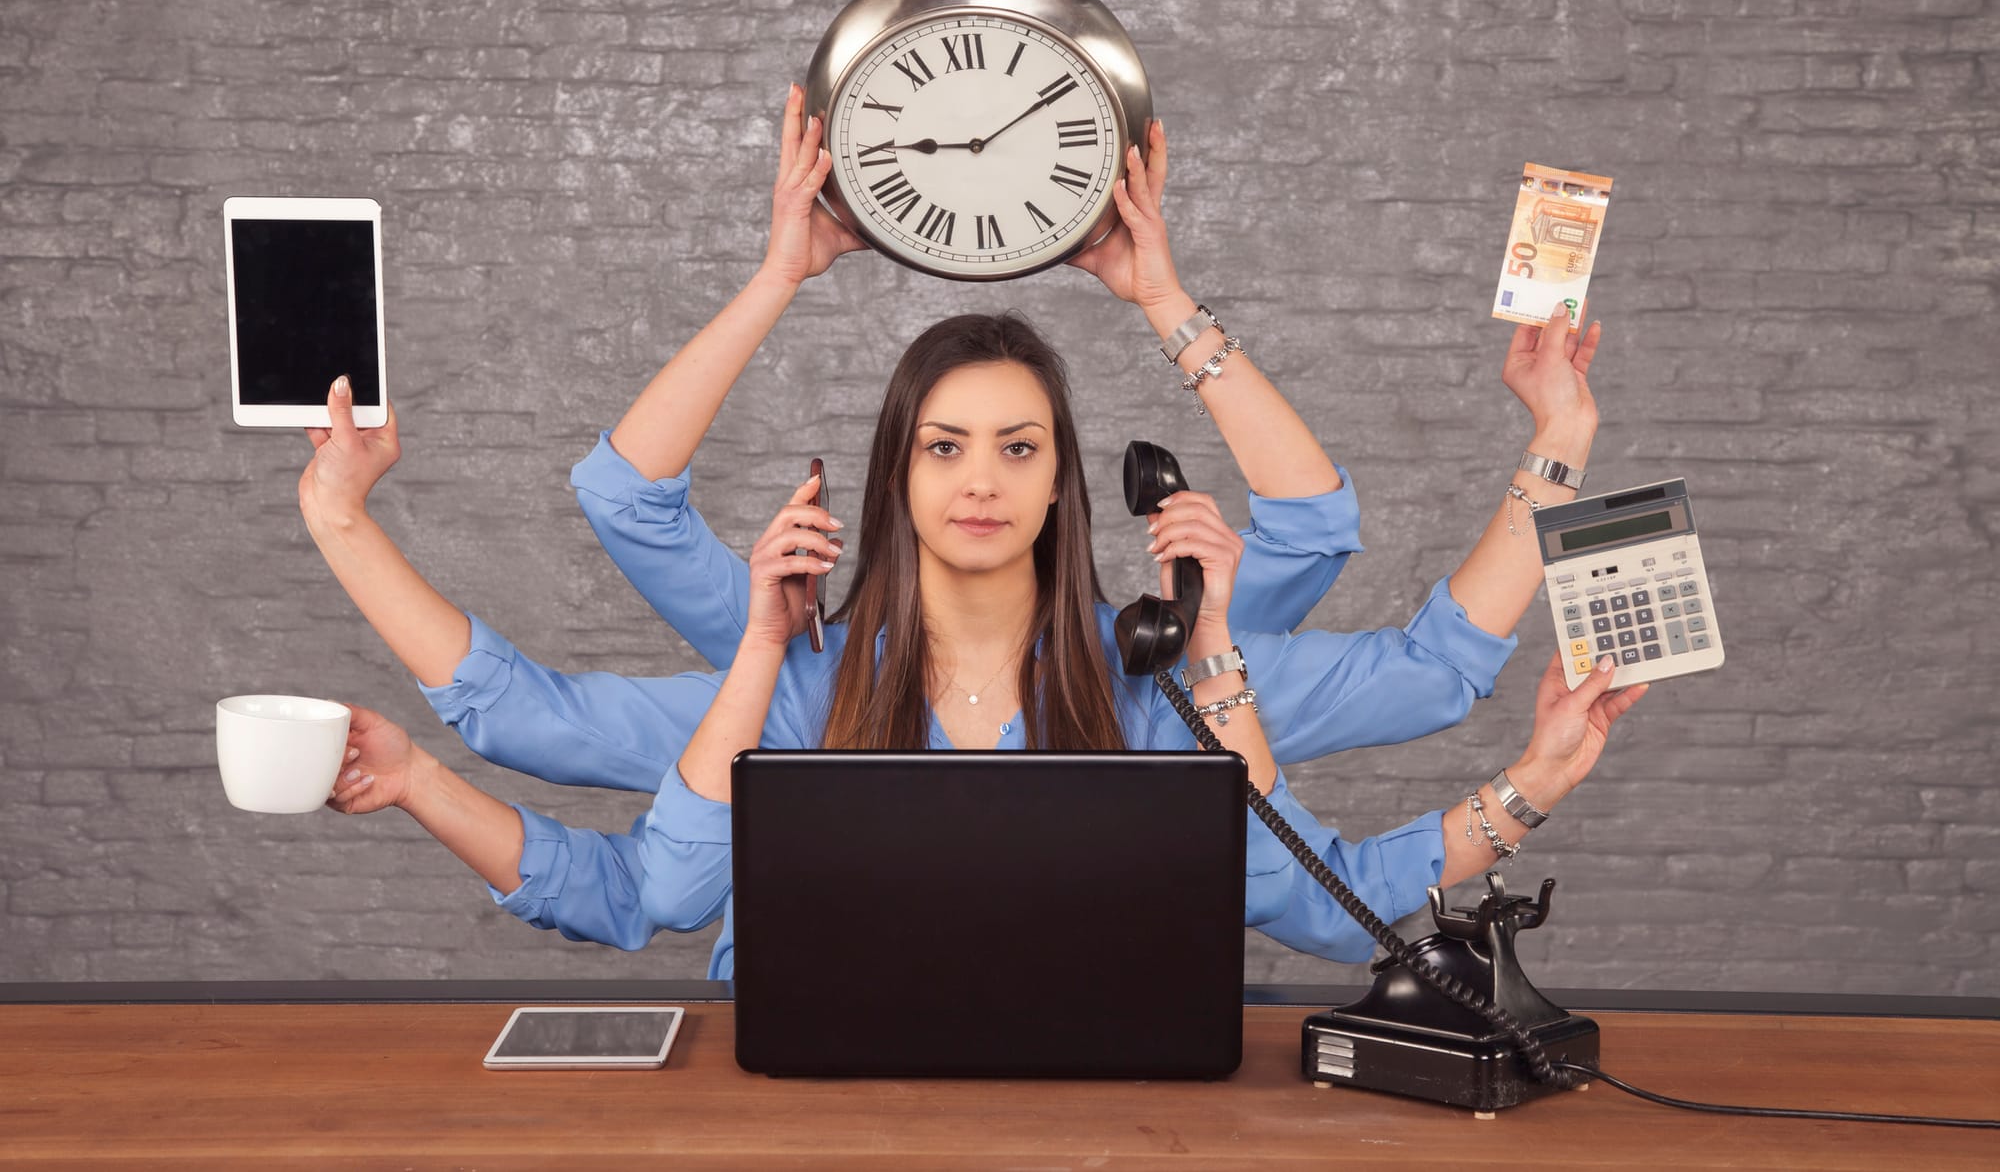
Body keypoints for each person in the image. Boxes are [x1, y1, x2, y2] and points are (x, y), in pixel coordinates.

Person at [322, 310, 1646, 973]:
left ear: (1064, 482)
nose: (981, 480)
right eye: (945, 447)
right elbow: (531, 739)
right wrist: (343, 530)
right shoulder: (793, 686)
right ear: (898, 474)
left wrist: (1564, 438)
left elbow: (1347, 878)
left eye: (1020, 448)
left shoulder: (1161, 686)